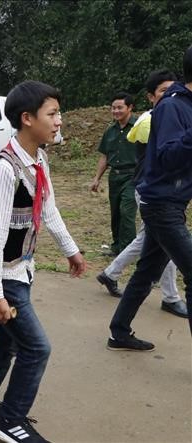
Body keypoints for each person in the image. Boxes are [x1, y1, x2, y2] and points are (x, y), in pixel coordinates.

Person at [0, 81, 86, 443]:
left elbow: (48, 210)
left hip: (21, 267)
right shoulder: (5, 169)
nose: (59, 121)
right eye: (52, 114)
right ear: (27, 118)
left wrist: (71, 249)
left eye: (59, 113)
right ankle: (10, 420)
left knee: (9, 340)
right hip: (2, 272)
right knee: (36, 348)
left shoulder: (38, 160)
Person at [108, 46, 192, 350]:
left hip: (173, 201)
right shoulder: (172, 107)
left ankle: (118, 331)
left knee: (147, 272)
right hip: (160, 204)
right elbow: (169, 156)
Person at [96, 69, 187, 318]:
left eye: (173, 89)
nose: (171, 95)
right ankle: (170, 297)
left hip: (159, 194)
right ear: (151, 96)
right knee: (164, 246)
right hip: (154, 194)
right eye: (164, 91)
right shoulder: (153, 119)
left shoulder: (163, 115)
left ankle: (112, 277)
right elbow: (169, 157)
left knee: (149, 246)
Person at [90, 92, 138, 256]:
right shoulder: (110, 131)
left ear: (130, 107)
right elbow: (104, 156)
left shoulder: (140, 127)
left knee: (127, 211)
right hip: (115, 177)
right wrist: (96, 178)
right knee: (116, 213)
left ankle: (128, 250)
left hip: (134, 176)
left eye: (120, 107)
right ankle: (117, 246)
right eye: (113, 108)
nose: (116, 111)